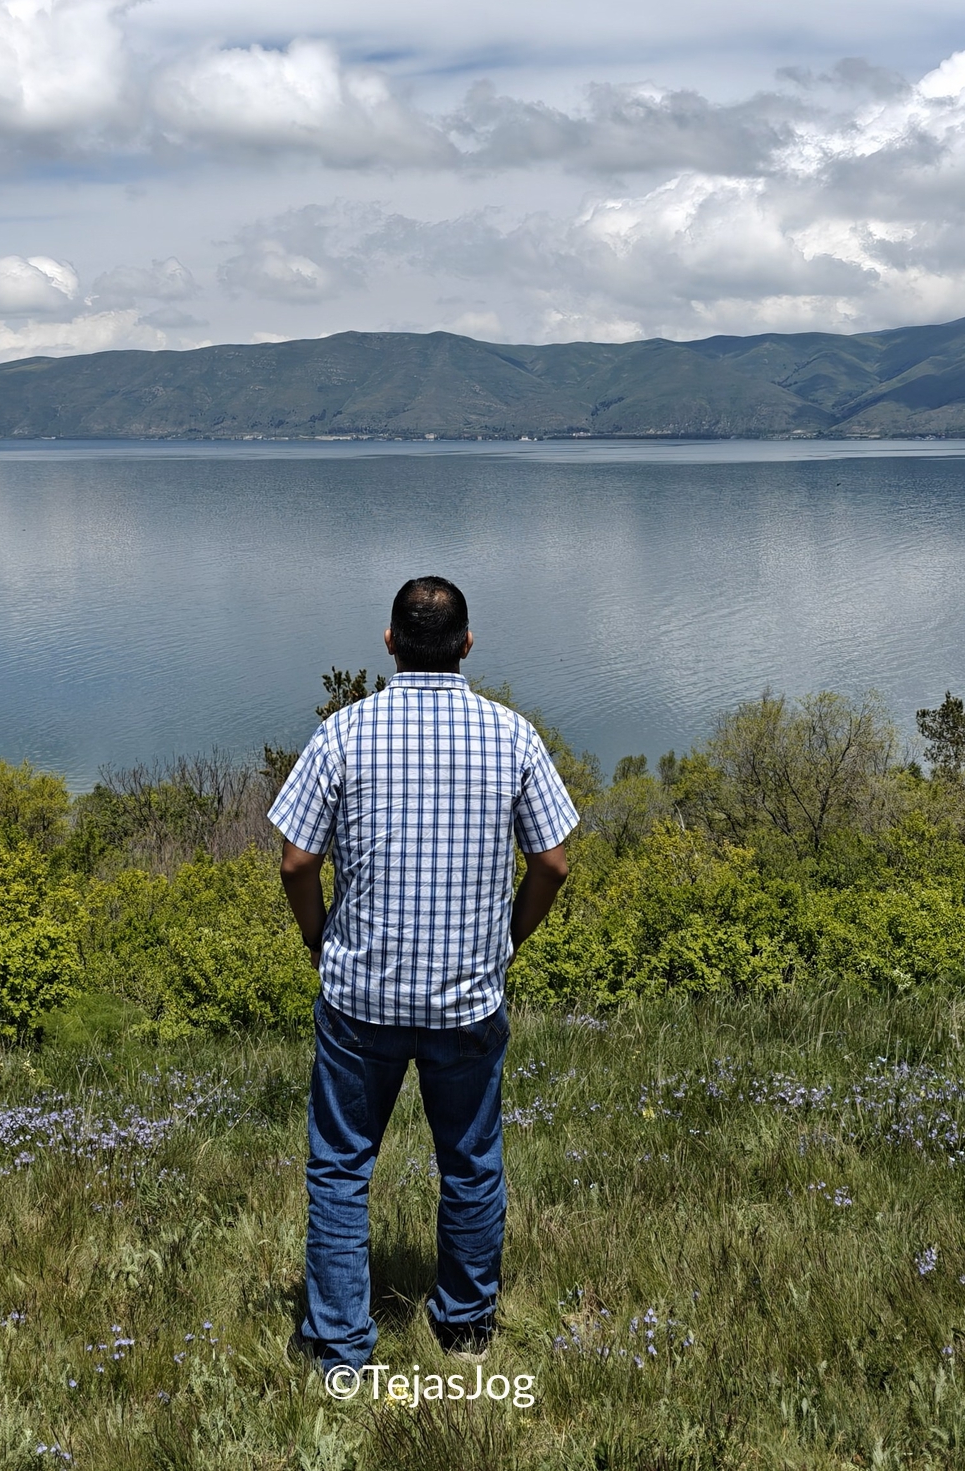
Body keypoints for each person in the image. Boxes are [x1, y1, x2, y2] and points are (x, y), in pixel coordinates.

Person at [270, 575, 578, 1368]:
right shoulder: (512, 736)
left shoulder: (344, 734)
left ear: (390, 642)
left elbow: (298, 860)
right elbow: (552, 861)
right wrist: (508, 939)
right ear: (467, 644)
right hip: (467, 997)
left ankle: (339, 1343)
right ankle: (466, 1328)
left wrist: (318, 938)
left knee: (342, 1166)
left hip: (359, 996)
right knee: (470, 1162)